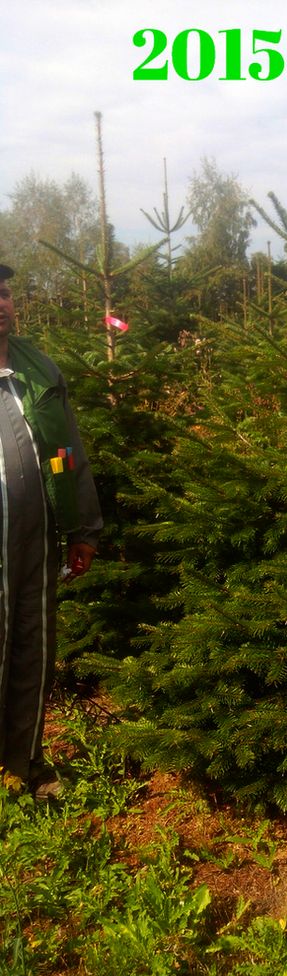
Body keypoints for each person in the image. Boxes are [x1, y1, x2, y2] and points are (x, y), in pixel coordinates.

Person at [0, 263, 103, 800]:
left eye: (5, 293)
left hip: (35, 539)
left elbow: (68, 453)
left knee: (32, 646)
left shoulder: (39, 371)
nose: (0, 304)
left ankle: (26, 761)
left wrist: (82, 528)